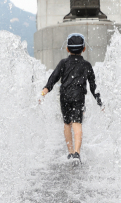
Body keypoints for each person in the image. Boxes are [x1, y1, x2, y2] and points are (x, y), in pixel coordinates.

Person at [41, 33, 102, 166]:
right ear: (84, 49)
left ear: (67, 49)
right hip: (78, 96)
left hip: (65, 96)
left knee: (67, 123)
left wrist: (44, 91)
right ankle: (77, 153)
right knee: (77, 123)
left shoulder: (63, 63)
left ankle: (69, 152)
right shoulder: (86, 65)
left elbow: (54, 77)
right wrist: (100, 101)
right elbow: (93, 86)